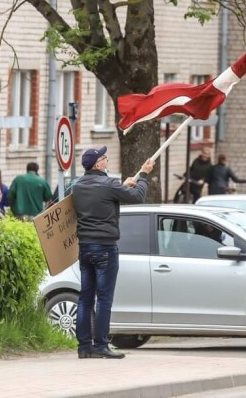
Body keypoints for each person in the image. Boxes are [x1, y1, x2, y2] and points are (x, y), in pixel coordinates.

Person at [72, 146, 154, 359]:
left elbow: (103, 198)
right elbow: (137, 197)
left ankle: (84, 347)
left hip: (85, 247)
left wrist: (121, 186)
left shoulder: (78, 186)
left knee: (85, 298)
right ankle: (101, 345)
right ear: (97, 164)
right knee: (105, 298)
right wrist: (144, 174)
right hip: (105, 247)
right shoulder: (108, 184)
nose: (107, 160)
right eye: (104, 158)